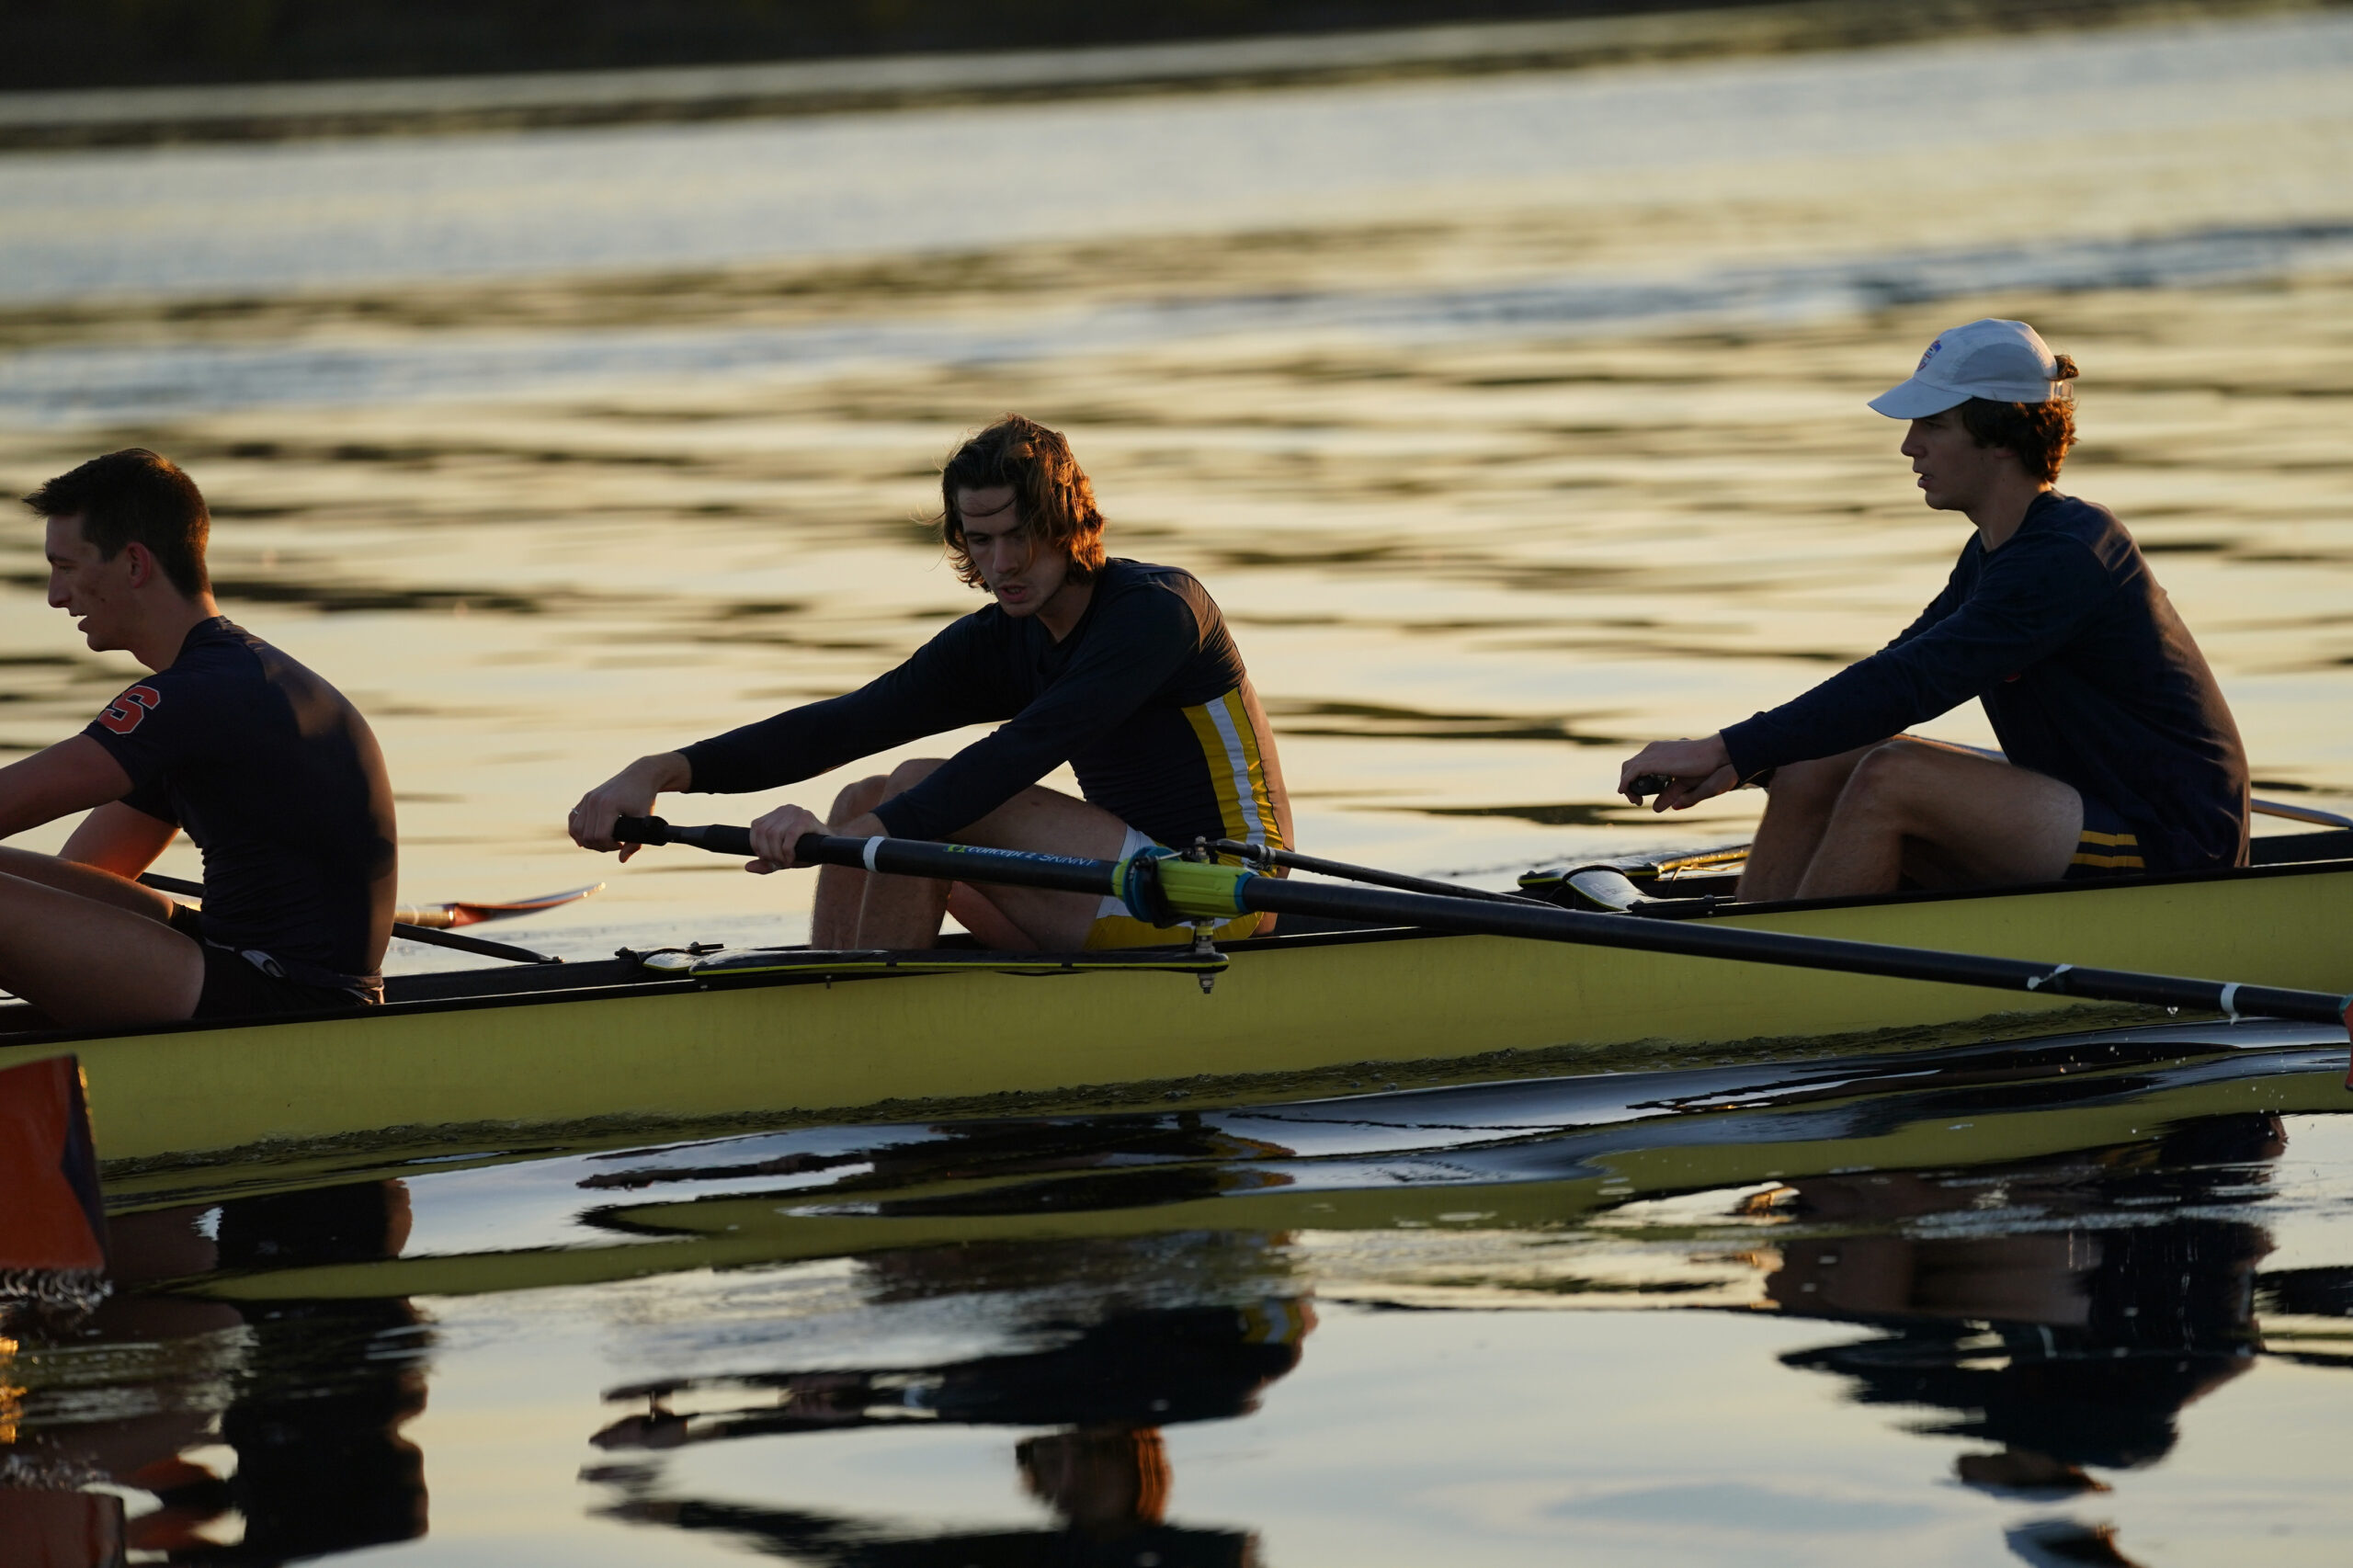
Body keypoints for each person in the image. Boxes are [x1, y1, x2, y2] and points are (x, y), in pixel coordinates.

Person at [569, 415, 1292, 950]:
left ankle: (874, 1028)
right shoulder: (1003, 636)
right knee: (867, 792)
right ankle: (840, 991)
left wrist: (845, 840)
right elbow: (847, 723)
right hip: (1116, 886)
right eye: (981, 540)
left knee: (912, 791)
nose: (1001, 563)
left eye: (1020, 536)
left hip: (1221, 893)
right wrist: (659, 771)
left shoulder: (1158, 613)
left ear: (1069, 523)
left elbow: (1021, 752)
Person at [1616, 319, 2248, 901]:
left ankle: (1794, 986)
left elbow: (1910, 687)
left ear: (2001, 436)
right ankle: (1746, 952)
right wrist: (1742, 759)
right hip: (2079, 811)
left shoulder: (2067, 554)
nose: (1909, 447)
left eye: (1933, 425)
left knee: (1895, 776)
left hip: (2174, 845)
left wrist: (1720, 745)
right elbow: (1898, 666)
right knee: (1815, 763)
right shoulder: (1995, 552)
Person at [0, 449, 397, 1028]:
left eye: (65, 567)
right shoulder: (236, 681)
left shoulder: (195, 696)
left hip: (285, 1001)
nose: (56, 596)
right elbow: (88, 875)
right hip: (259, 971)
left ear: (135, 565)